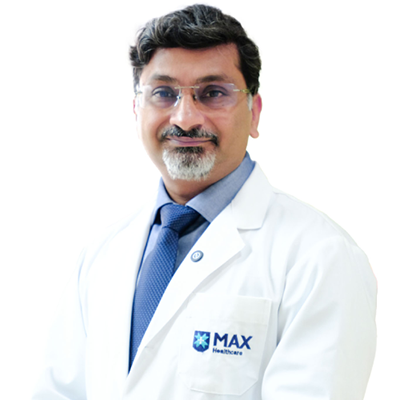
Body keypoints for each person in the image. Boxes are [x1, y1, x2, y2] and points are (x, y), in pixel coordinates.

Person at [32, 4, 377, 400]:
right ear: (136, 109)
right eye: (163, 93)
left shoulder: (321, 256)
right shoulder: (100, 256)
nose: (185, 118)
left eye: (213, 93)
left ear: (254, 112)